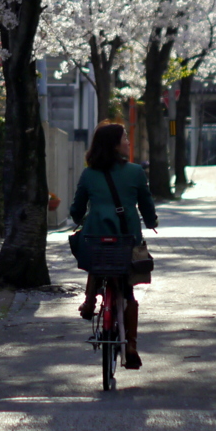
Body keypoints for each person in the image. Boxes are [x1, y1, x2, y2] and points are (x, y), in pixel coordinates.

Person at [69, 121, 158, 370]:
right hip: (127, 238)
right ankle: (131, 345)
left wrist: (77, 219)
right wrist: (152, 221)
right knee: (128, 293)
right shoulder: (135, 172)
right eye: (125, 137)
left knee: (96, 257)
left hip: (96, 236)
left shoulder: (88, 174)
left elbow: (77, 207)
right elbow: (147, 205)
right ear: (115, 144)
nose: (128, 141)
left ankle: (89, 300)